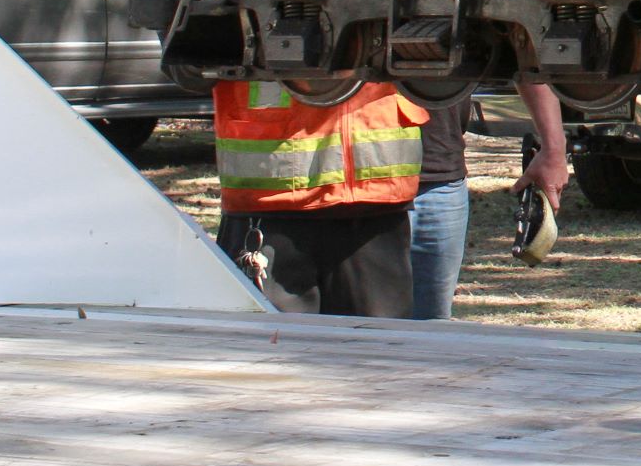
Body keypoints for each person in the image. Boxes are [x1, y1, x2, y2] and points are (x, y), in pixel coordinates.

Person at [212, 79, 429, 316]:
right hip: (271, 197)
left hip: (375, 200)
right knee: (266, 343)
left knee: (376, 345)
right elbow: (187, 64)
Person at [407, 82, 570, 320]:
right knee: (359, 324)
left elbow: (524, 53)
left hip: (440, 180)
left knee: (430, 328)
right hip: (361, 188)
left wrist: (554, 149)